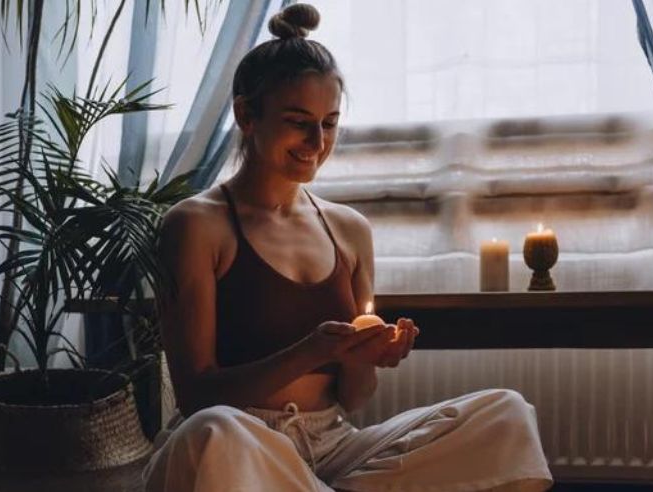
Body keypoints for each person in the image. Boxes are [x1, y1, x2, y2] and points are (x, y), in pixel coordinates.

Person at [143, 4, 553, 491]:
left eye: (330, 123)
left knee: (505, 414)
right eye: (299, 121)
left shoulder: (349, 228)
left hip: (335, 445)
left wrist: (363, 356)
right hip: (242, 446)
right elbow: (197, 396)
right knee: (210, 435)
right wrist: (312, 349)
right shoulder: (196, 225)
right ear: (246, 115)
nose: (317, 141)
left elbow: (357, 398)